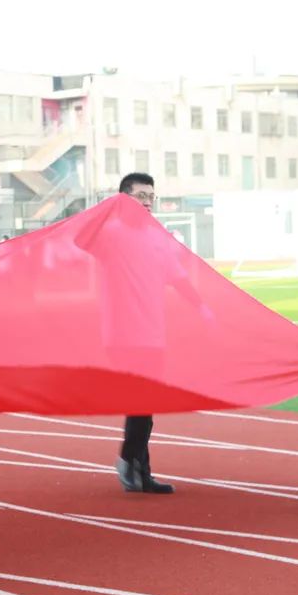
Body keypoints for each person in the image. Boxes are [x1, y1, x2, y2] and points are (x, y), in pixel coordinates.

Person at [112, 172, 174, 494]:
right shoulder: (112, 233)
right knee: (141, 403)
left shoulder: (154, 236)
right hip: (125, 336)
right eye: (141, 196)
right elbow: (80, 239)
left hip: (153, 333)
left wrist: (202, 307)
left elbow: (177, 274)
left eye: (151, 196)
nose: (148, 202)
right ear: (124, 199)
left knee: (145, 406)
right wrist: (111, 211)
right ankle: (130, 463)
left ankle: (137, 469)